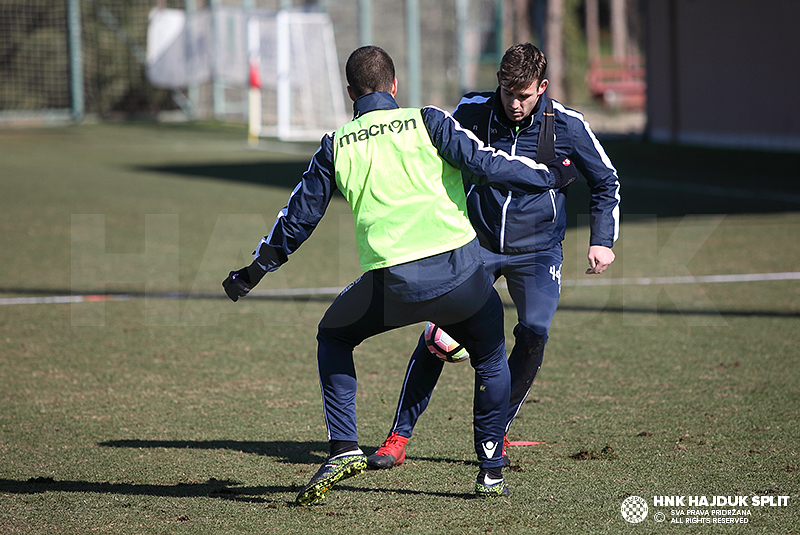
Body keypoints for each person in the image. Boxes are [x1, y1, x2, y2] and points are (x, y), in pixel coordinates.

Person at [222, 45, 577, 505]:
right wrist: (551, 176)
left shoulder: (336, 145)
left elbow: (297, 220)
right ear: (394, 86)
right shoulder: (429, 120)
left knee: (333, 335)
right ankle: (490, 470)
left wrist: (251, 273)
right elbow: (488, 164)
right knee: (490, 356)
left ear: (350, 92)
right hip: (462, 278)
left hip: (393, 286)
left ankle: (344, 446)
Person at [367, 43, 620, 470]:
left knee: (534, 331)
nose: (515, 104)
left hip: (538, 251)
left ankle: (496, 430)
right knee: (438, 337)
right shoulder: (471, 110)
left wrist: (603, 240)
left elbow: (606, 181)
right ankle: (397, 438)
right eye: (507, 93)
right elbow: (432, 154)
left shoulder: (570, 126)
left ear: (541, 87)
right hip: (475, 246)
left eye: (524, 95)